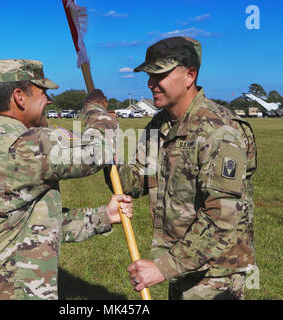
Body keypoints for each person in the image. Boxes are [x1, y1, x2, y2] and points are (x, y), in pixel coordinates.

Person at [0, 58, 133, 300]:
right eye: (43, 92)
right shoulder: (23, 145)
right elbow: (101, 149)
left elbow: (31, 225)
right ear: (20, 97)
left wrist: (105, 216)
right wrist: (96, 109)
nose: (49, 100)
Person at [109, 37, 257, 300]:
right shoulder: (161, 125)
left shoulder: (220, 131)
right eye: (149, 75)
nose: (150, 84)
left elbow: (222, 218)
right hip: (180, 265)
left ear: (190, 75)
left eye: (160, 74)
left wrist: (162, 267)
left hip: (214, 276)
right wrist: (105, 148)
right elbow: (134, 181)